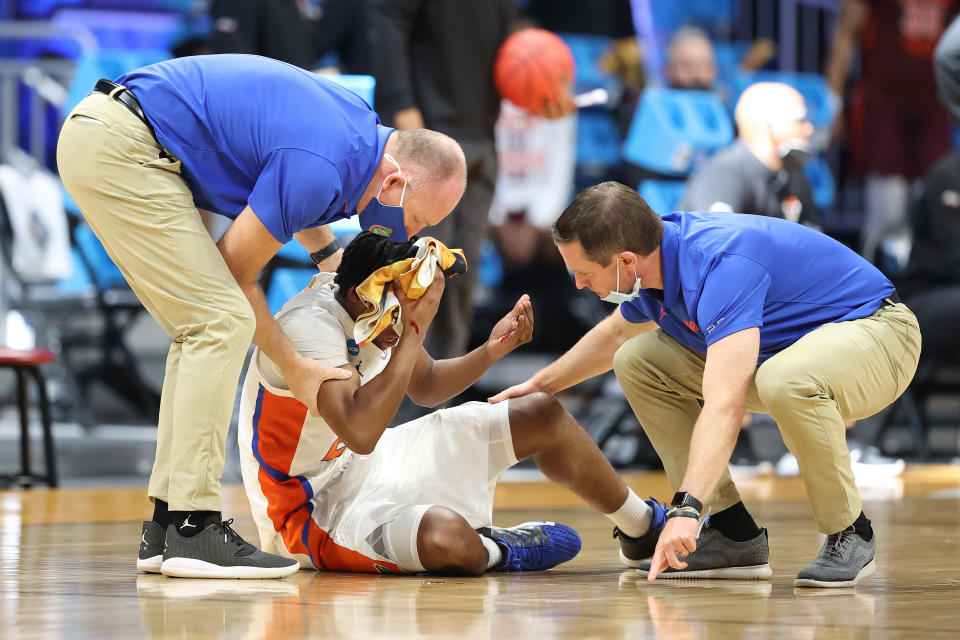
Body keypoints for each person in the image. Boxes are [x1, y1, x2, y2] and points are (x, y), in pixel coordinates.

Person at [56, 53, 466, 579]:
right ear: (393, 185)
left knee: (201, 327)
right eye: (416, 219)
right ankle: (193, 528)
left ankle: (166, 525)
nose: (407, 237)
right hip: (123, 146)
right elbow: (235, 268)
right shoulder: (322, 163)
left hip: (119, 132)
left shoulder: (358, 134)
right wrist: (294, 365)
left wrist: (336, 269)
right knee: (219, 320)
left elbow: (295, 195)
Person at [491, 182, 920, 587]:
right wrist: (540, 386)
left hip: (880, 335)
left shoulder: (721, 266)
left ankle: (851, 533)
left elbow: (726, 404)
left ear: (624, 261)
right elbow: (616, 335)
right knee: (637, 360)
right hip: (791, 353)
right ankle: (733, 534)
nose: (579, 284)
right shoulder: (653, 257)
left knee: (784, 380)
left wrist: (685, 509)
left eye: (582, 272)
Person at [236, 231, 664, 574]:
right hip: (308, 511)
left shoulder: (373, 296)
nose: (403, 332)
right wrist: (415, 328)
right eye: (403, 319)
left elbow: (425, 384)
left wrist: (492, 349)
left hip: (366, 462)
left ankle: (639, 525)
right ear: (361, 298)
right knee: (450, 541)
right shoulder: (311, 330)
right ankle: (499, 547)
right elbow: (360, 432)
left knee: (540, 412)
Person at [371, 1, 573, 361]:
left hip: (483, 133)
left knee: (460, 274)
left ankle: (435, 401)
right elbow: (387, 16)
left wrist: (542, 89)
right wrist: (401, 103)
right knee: (419, 271)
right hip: (430, 130)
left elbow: (503, 43)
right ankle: (391, 399)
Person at [826, 0, 960, 260]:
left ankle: (929, 276)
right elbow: (844, 34)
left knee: (936, 193)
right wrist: (832, 101)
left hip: (935, 100)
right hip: (884, 97)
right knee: (887, 201)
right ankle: (878, 284)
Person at [678, 82, 820, 228]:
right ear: (770, 124)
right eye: (800, 119)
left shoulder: (794, 177)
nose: (809, 128)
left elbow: (815, 243)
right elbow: (717, 241)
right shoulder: (725, 173)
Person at [664, 26, 717, 92]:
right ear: (669, 70)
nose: (696, 75)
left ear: (714, 69)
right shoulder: (654, 101)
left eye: (702, 65)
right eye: (686, 66)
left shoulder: (726, 101)